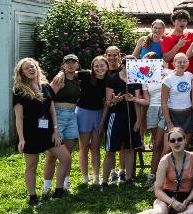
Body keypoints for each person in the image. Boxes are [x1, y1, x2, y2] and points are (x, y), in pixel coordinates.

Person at [106, 128, 193, 214]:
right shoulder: (165, 160)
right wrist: (172, 202)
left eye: (179, 139)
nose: (176, 142)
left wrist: (187, 200)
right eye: (172, 140)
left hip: (186, 198)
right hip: (166, 197)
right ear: (169, 143)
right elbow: (157, 190)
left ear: (185, 140)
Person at [13, 58, 70, 205]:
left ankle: (58, 191)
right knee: (32, 166)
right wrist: (21, 139)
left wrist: (56, 130)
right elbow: (19, 117)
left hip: (48, 132)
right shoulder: (19, 90)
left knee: (66, 158)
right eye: (27, 68)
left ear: (37, 68)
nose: (31, 69)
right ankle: (33, 198)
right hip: (30, 133)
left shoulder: (45, 86)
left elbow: (52, 110)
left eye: (32, 66)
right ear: (22, 73)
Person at [103, 56, 147, 187]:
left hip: (131, 118)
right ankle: (104, 181)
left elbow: (137, 102)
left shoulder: (137, 79)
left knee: (130, 149)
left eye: (133, 64)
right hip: (115, 117)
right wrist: (114, 101)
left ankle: (128, 178)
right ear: (122, 65)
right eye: (128, 64)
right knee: (110, 151)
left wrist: (138, 120)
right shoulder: (112, 78)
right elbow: (108, 102)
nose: (130, 67)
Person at [45, 54, 81, 193]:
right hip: (58, 116)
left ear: (77, 65)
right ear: (63, 66)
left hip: (72, 116)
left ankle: (65, 183)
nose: (70, 65)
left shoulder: (79, 79)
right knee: (52, 155)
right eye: (68, 63)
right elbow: (47, 98)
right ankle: (46, 187)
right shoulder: (59, 79)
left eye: (73, 62)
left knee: (67, 154)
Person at [74, 55, 109, 185]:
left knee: (95, 147)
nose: (99, 68)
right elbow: (69, 72)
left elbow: (107, 103)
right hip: (83, 113)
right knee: (83, 147)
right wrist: (61, 74)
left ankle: (96, 177)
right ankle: (85, 177)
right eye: (96, 66)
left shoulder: (109, 80)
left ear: (107, 66)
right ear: (92, 68)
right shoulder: (86, 75)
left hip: (99, 114)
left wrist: (102, 122)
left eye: (102, 65)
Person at [142, 53, 169, 188]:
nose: (149, 64)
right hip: (152, 109)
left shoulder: (168, 72)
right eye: (146, 62)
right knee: (158, 146)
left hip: (166, 108)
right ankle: (154, 174)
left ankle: (156, 174)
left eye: (152, 61)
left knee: (159, 144)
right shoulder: (144, 77)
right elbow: (146, 98)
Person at [162, 53, 193, 146]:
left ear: (188, 63)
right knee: (168, 148)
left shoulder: (189, 75)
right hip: (173, 115)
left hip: (188, 115)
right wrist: (169, 122)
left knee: (184, 146)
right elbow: (164, 103)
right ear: (173, 64)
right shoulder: (167, 80)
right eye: (179, 62)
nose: (182, 64)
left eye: (184, 62)